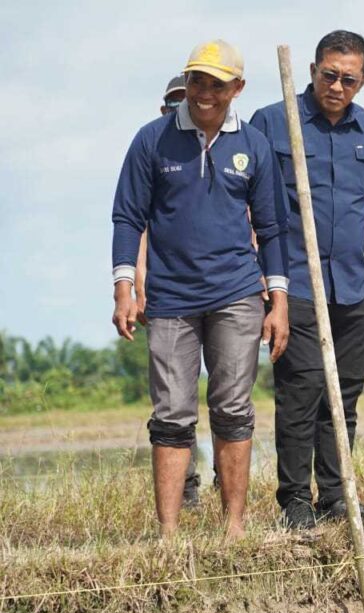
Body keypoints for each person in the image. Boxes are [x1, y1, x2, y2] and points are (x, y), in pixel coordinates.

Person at [111, 39, 289, 540]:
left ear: (237, 88)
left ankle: (234, 526)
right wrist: (125, 287)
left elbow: (273, 228)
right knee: (171, 412)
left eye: (215, 83)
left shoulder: (253, 144)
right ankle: (168, 532)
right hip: (169, 299)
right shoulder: (152, 140)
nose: (203, 93)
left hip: (237, 294)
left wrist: (278, 301)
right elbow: (128, 216)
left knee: (233, 407)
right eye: (195, 81)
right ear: (184, 82)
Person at [250, 30, 364, 530]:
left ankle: (337, 498)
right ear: (314, 69)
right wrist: (262, 279)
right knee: (302, 388)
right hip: (292, 281)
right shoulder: (273, 122)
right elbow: (248, 204)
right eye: (329, 75)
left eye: (349, 79)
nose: (338, 86)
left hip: (352, 284)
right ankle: (294, 501)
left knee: (347, 394)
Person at [134, 72, 206, 509]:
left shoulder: (231, 148)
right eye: (174, 103)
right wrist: (137, 281)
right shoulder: (154, 152)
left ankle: (221, 480)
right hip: (169, 293)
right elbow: (136, 221)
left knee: (230, 399)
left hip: (225, 290)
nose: (188, 107)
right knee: (172, 399)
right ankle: (186, 486)